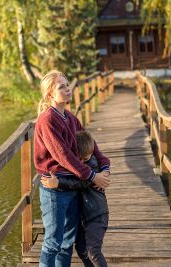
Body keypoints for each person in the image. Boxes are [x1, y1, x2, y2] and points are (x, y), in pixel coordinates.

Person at [34, 70, 110, 267]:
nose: (68, 89)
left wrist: (104, 166)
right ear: (50, 94)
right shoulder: (47, 119)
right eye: (62, 87)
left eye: (68, 85)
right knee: (53, 243)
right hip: (55, 188)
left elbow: (90, 143)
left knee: (67, 243)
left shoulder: (69, 116)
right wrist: (92, 175)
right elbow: (63, 155)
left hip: (73, 186)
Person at [41, 130, 110, 267]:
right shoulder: (82, 159)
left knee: (93, 251)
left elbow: (82, 182)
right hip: (84, 216)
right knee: (82, 250)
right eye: (80, 159)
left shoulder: (92, 164)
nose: (83, 162)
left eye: (86, 158)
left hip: (96, 214)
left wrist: (58, 183)